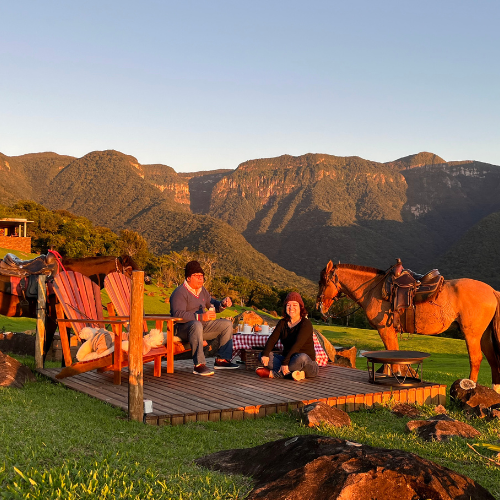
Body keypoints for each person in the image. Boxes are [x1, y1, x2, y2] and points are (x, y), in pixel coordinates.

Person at [169, 260, 239, 376]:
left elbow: (213, 305)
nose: (200, 279)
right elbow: (177, 314)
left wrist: (223, 304)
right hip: (183, 329)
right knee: (196, 324)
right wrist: (200, 317)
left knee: (226, 324)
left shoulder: (202, 291)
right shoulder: (179, 292)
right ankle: (199, 365)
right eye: (197, 276)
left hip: (201, 327)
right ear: (188, 278)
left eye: (202, 276)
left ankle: (222, 360)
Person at [256, 292, 318, 381]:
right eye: (288, 305)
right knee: (262, 354)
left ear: (301, 307)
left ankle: (276, 374)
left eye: (295, 305)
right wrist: (265, 354)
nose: (291, 308)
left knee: (301, 357)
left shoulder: (306, 323)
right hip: (288, 360)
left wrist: (285, 363)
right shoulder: (282, 323)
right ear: (285, 307)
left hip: (307, 363)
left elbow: (297, 345)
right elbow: (272, 339)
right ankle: (294, 374)